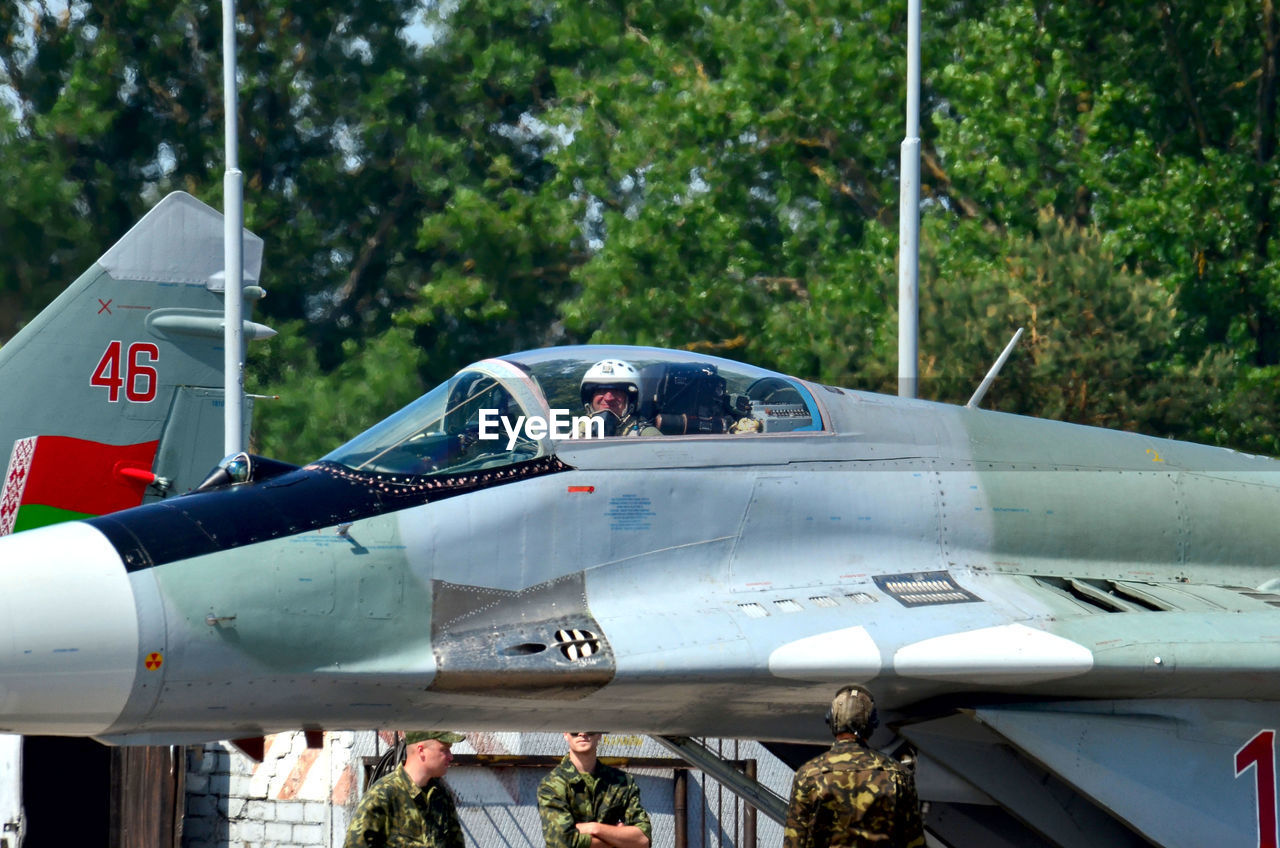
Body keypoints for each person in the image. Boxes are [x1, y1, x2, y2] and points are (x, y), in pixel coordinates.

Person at [783, 686, 926, 848]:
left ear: (832, 720)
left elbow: (794, 841)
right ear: (872, 723)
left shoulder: (808, 775)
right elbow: (914, 843)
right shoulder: (899, 775)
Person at [344, 730, 466, 848]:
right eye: (444, 750)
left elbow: (456, 843)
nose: (451, 757)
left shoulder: (440, 795)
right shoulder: (383, 794)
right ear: (421, 750)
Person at [537, 731, 652, 848]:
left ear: (599, 733)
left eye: (589, 729)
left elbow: (643, 839)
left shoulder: (621, 782)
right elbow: (562, 842)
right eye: (575, 730)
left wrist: (594, 828)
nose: (582, 733)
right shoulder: (552, 784)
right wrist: (616, 840)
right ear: (565, 733)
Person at [577, 359, 659, 437]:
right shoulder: (576, 433)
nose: (608, 398)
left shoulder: (647, 436)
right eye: (601, 391)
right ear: (590, 399)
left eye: (617, 391)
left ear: (631, 401)